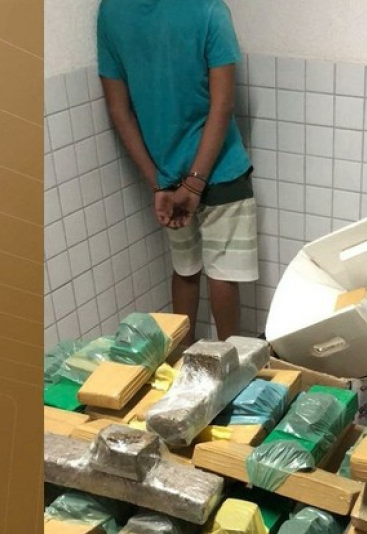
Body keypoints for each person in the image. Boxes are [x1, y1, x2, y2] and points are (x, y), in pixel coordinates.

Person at [98, 0, 257, 345]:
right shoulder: (208, 9)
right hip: (220, 168)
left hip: (167, 174)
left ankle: (182, 360)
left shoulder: (111, 11)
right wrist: (196, 183)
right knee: (223, 274)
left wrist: (157, 182)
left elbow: (118, 109)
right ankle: (231, 363)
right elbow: (222, 104)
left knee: (185, 269)